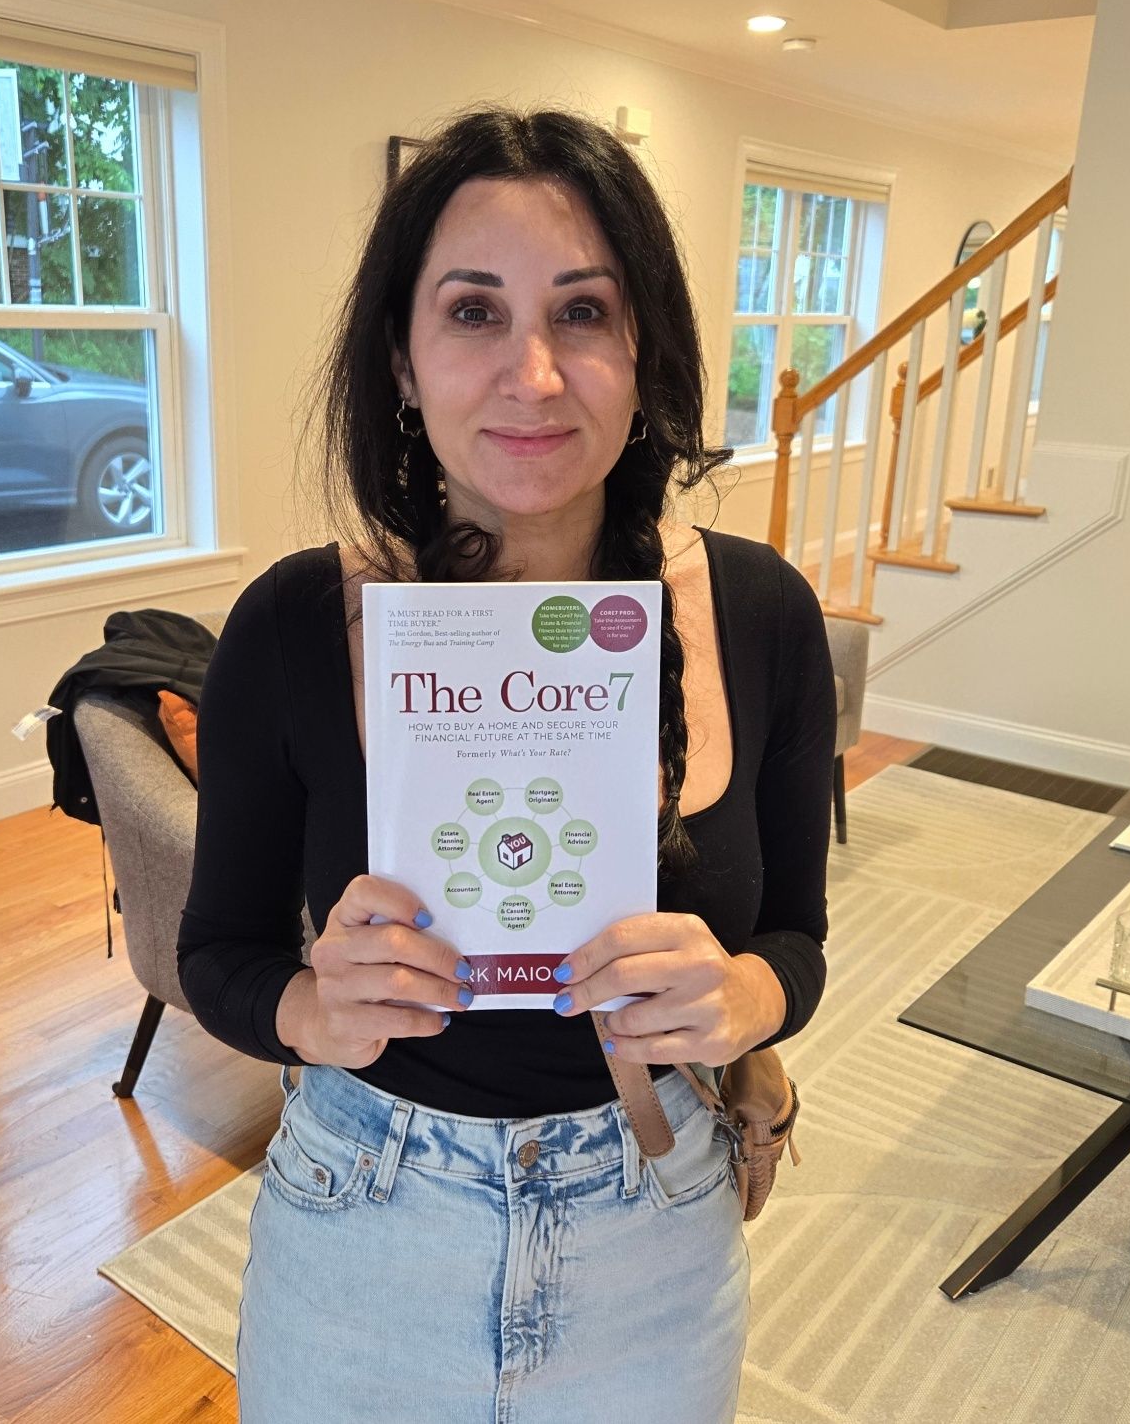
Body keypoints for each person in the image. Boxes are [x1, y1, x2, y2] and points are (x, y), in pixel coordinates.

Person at [177, 106, 836, 1424]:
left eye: (582, 313)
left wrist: (743, 1001)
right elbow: (217, 954)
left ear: (644, 353)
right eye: (474, 312)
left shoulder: (761, 611)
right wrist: (312, 1010)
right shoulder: (297, 622)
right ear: (404, 360)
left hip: (654, 1214)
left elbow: (797, 940)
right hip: (366, 1216)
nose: (533, 375)